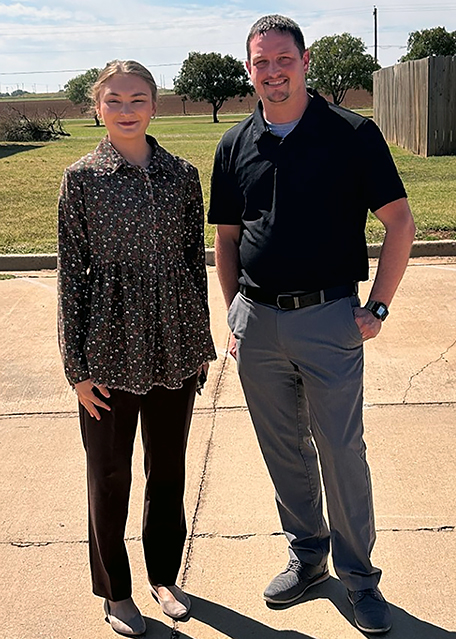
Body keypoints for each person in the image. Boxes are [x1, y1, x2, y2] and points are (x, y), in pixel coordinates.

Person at [208, 14, 415, 635]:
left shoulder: (351, 133)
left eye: (283, 59)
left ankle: (360, 579)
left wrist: (376, 307)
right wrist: (233, 311)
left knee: (342, 451)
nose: (273, 72)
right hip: (257, 319)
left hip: (329, 318)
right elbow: (226, 236)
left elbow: (400, 222)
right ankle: (308, 557)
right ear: (249, 70)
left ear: (304, 60)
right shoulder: (235, 144)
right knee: (284, 451)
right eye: (260, 63)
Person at [57, 60, 216, 637]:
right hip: (106, 346)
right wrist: (75, 367)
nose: (127, 110)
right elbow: (71, 274)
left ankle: (164, 575)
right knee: (108, 473)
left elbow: (193, 266)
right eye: (115, 100)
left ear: (155, 105)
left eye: (138, 99)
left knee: (167, 468)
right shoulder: (81, 179)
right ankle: (115, 590)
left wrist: (200, 343)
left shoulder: (181, 175)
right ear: (97, 107)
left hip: (175, 343)